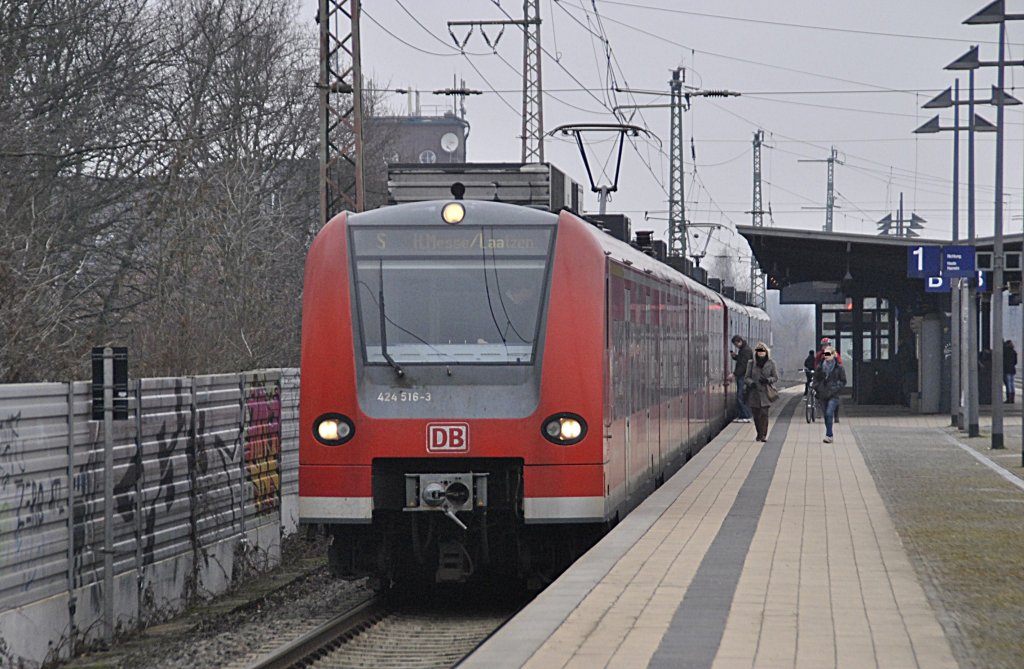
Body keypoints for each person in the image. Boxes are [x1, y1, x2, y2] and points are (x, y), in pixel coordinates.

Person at [743, 342, 779, 442]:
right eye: (759, 351)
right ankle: (759, 433)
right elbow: (746, 377)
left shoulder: (771, 363)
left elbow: (775, 377)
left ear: (766, 352)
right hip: (754, 393)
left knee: (764, 414)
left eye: (762, 351)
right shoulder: (751, 363)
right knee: (756, 415)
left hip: (765, 392)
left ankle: (763, 435)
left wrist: (768, 380)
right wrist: (751, 383)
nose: (761, 353)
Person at [813, 345, 847, 444]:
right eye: (825, 354)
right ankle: (829, 434)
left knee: (829, 413)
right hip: (822, 394)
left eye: (828, 354)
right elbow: (816, 379)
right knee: (826, 416)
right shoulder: (820, 367)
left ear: (833, 355)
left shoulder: (839, 368)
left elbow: (843, 381)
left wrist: (836, 388)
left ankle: (829, 435)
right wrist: (817, 387)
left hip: (833, 394)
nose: (826, 356)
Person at [729, 335, 753, 423]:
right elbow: (742, 360)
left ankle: (746, 415)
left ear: (739, 341)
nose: (736, 346)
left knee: (741, 396)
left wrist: (734, 374)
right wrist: (735, 357)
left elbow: (743, 365)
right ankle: (743, 415)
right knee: (742, 396)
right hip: (743, 376)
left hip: (743, 376)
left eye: (736, 344)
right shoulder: (744, 350)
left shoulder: (746, 350)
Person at [1004, 339, 1017, 403]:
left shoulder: (1006, 352)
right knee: (1012, 384)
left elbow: (1004, 361)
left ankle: (1009, 398)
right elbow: (1015, 362)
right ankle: (1012, 398)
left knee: (1008, 384)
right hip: (1012, 369)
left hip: (1007, 369)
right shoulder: (1014, 352)